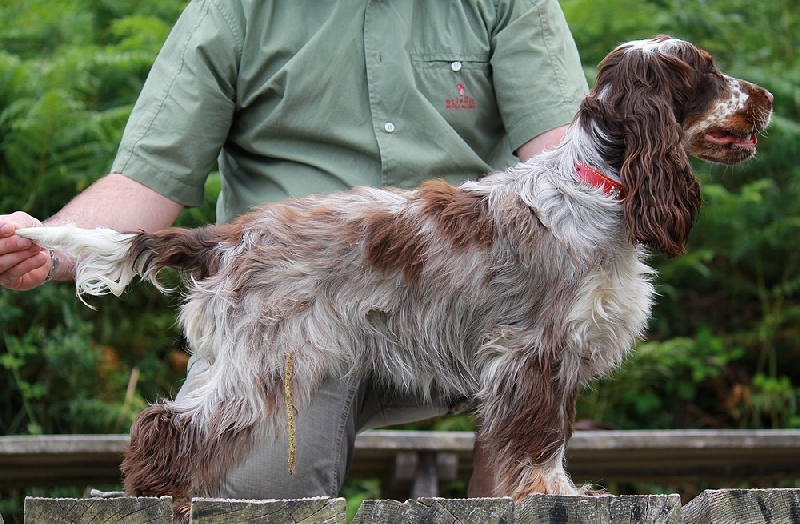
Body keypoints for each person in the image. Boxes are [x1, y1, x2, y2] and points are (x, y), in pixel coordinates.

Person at [0, 0, 588, 500]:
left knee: (543, 349)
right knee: (256, 488)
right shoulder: (233, 10)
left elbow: (570, 173)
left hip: (463, 304)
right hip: (288, 309)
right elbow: (145, 186)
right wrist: (43, 249)